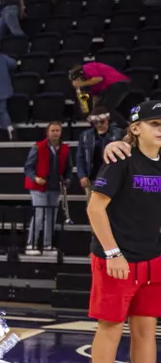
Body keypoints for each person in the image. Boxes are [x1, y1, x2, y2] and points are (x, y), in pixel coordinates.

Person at [84, 102, 161, 363]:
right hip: (117, 259)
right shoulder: (121, 160)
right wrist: (113, 253)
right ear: (135, 128)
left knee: (146, 331)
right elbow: (94, 209)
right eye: (155, 123)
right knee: (111, 328)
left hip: (152, 259)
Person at [23, 122, 71, 256]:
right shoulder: (38, 147)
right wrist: (35, 178)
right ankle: (31, 244)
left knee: (51, 217)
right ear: (48, 132)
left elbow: (68, 169)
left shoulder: (65, 149)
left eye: (57, 130)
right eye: (53, 130)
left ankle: (47, 245)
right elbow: (28, 167)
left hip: (54, 187)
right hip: (39, 187)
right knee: (39, 215)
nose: (55, 133)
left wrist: (67, 180)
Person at [78, 109, 125, 193]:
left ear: (107, 119)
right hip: (93, 177)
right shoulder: (85, 135)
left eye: (102, 121)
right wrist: (82, 176)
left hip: (112, 176)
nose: (99, 124)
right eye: (96, 122)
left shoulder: (118, 133)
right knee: (92, 204)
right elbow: (80, 157)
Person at [70, 63, 135, 120]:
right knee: (101, 110)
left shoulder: (87, 67)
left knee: (106, 110)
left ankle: (124, 126)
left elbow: (99, 79)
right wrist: (93, 112)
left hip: (117, 84)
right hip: (113, 87)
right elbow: (96, 98)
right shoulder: (91, 85)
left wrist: (81, 84)